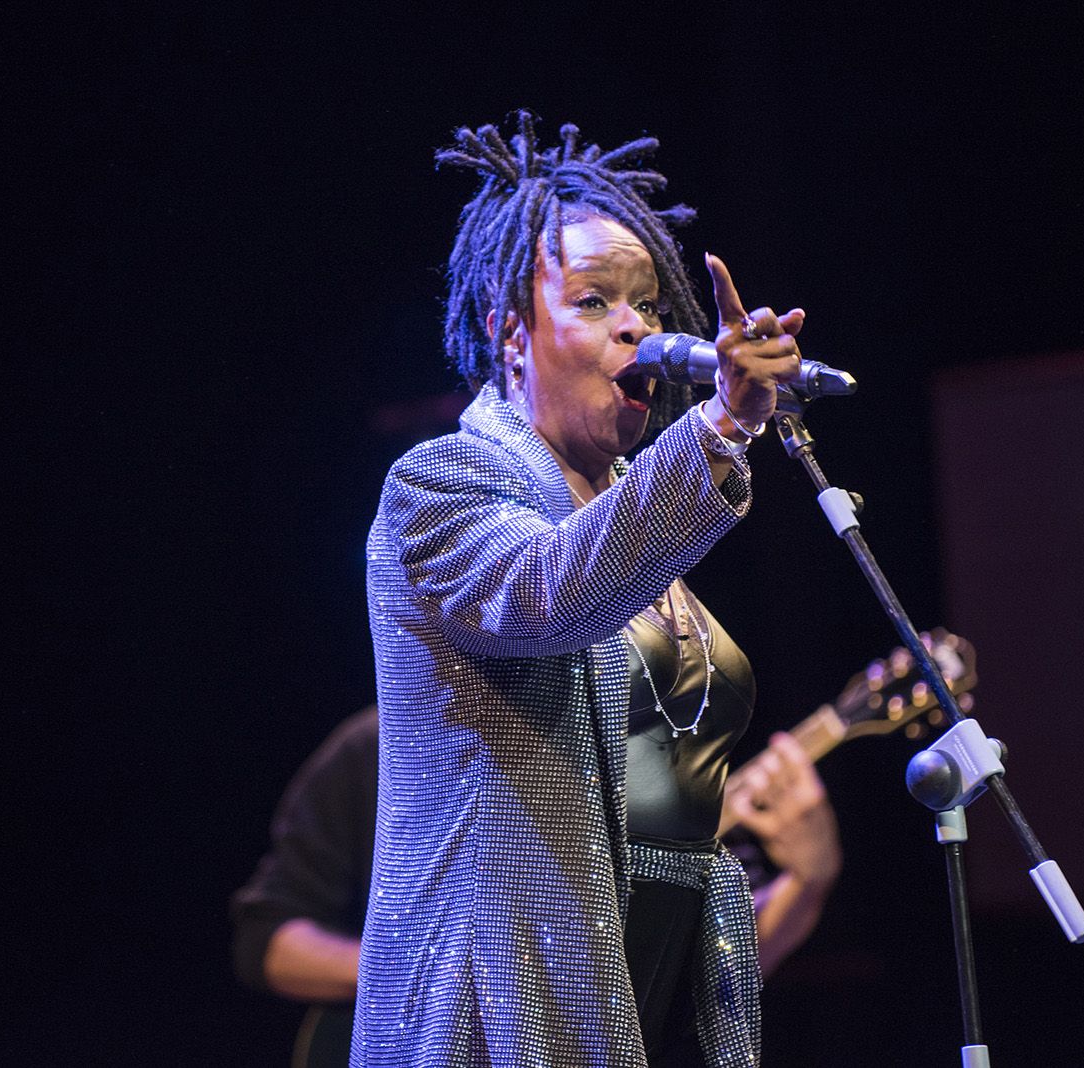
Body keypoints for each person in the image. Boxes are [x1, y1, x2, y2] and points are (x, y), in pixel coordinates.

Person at [355, 112, 813, 1067]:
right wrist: (723, 432)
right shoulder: (440, 486)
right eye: (596, 300)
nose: (639, 327)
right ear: (510, 331)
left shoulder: (631, 524)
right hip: (501, 1009)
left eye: (647, 303)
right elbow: (546, 594)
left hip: (648, 1009)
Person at [229, 709, 841, 1064]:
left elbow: (714, 976)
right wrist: (433, 977)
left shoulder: (644, 756)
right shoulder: (379, 748)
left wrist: (809, 881)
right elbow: (269, 942)